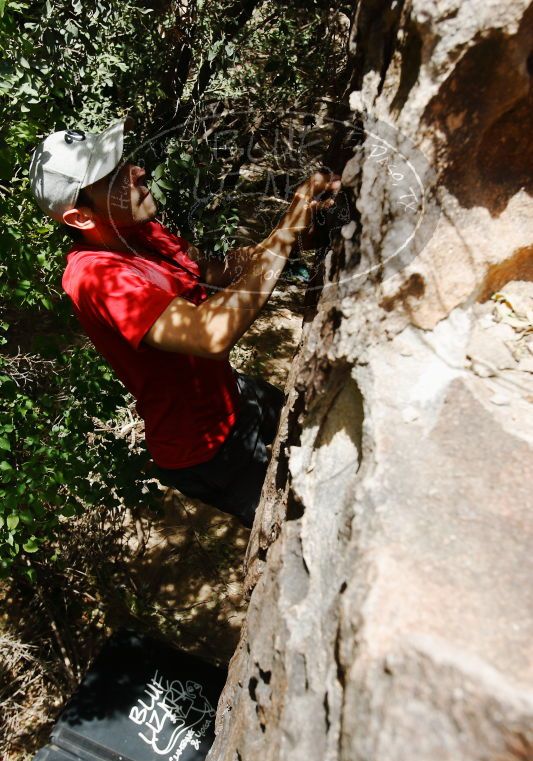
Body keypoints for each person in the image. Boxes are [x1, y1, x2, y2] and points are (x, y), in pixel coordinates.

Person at [29, 117, 340, 529]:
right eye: (113, 175)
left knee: (315, 431)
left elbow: (212, 271)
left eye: (125, 163)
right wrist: (287, 232)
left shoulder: (140, 231)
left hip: (233, 392)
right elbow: (208, 334)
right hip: (207, 452)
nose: (137, 172)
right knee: (305, 520)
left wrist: (294, 227)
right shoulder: (94, 277)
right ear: (80, 218)